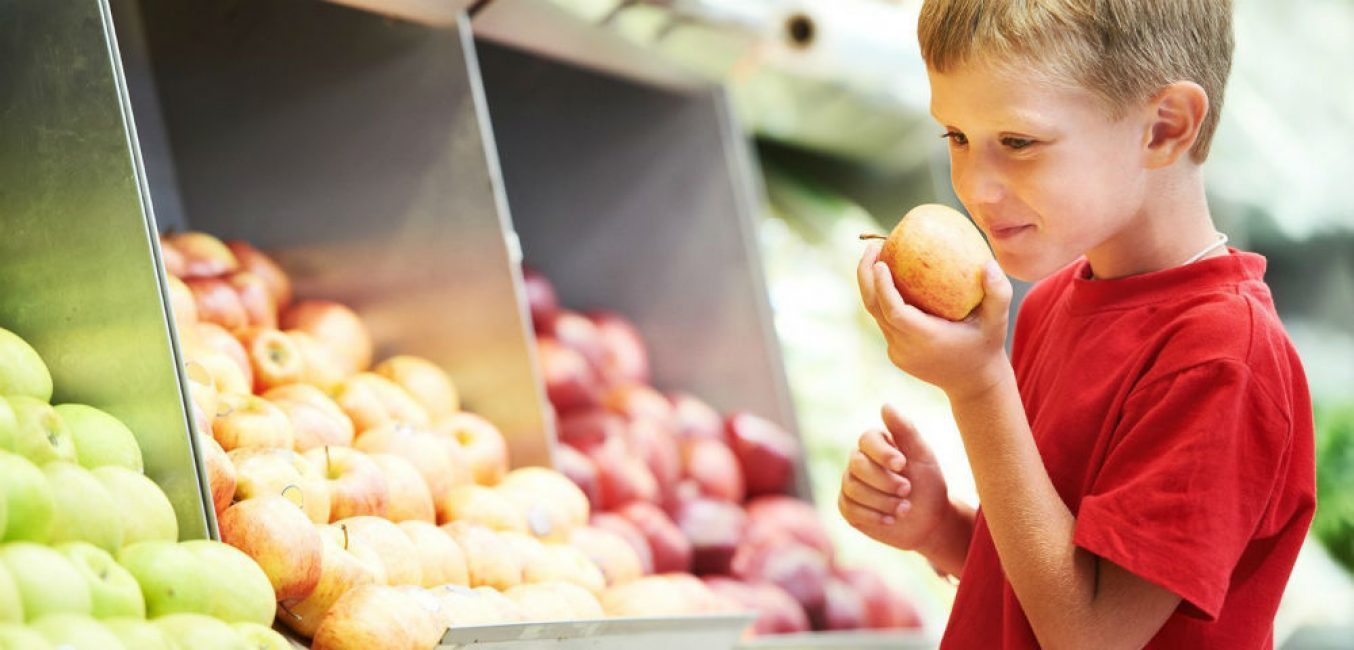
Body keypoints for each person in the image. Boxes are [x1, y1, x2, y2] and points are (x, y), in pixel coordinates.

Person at [838, 1, 1316, 647]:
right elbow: (1052, 580)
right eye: (955, 136)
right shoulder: (1055, 300)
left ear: (1164, 128)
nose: (974, 186)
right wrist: (942, 530)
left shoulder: (1222, 358)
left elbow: (1090, 634)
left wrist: (979, 388)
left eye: (1018, 142)